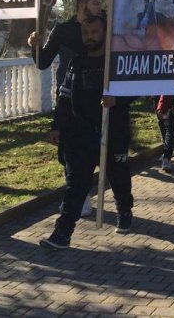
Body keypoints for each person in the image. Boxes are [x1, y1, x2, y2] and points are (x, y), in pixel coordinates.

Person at [40, 15, 134, 249]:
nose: (90, 37)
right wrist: (57, 126)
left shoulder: (116, 64)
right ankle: (62, 233)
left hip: (113, 132)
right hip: (81, 134)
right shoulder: (76, 64)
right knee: (76, 185)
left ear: (104, 33)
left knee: (118, 177)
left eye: (94, 32)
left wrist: (117, 100)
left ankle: (124, 209)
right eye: (86, 33)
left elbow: (136, 89)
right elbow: (65, 97)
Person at [29, 0, 103, 216]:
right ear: (82, 4)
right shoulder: (62, 30)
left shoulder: (102, 28)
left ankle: (82, 196)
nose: (100, 8)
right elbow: (43, 62)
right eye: (96, 4)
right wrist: (35, 46)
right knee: (68, 151)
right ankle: (77, 193)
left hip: (96, 98)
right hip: (68, 98)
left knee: (90, 148)